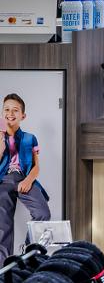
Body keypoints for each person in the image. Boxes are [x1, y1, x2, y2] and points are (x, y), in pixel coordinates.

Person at [0, 94, 51, 260]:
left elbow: (36, 166)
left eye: (15, 110)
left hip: (24, 178)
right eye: (6, 109)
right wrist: (1, 144)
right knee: (2, 222)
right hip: (3, 180)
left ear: (23, 115)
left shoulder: (30, 138)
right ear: (2, 113)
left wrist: (28, 180)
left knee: (43, 213)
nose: (10, 113)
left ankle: (28, 255)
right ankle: (3, 267)